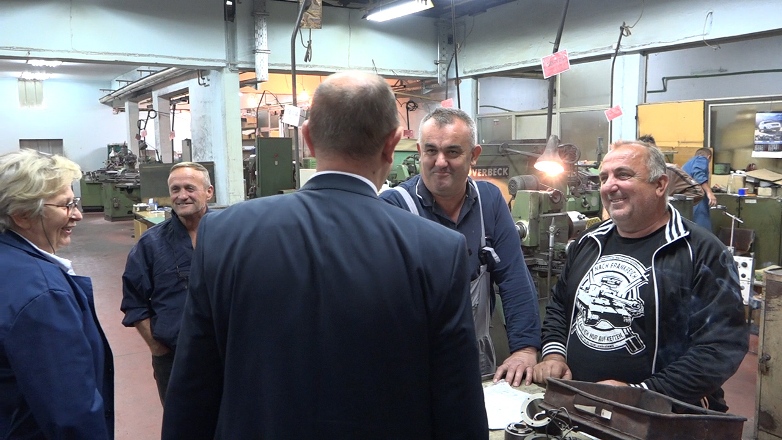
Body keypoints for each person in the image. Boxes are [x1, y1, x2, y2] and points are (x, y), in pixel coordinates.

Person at [161, 72, 488, 439]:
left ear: (308, 139)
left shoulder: (224, 234)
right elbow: (457, 403)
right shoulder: (438, 250)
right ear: (392, 144)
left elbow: (193, 387)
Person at [533, 140, 748, 412]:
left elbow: (721, 346)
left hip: (658, 416)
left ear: (660, 185)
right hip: (577, 403)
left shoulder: (701, 251)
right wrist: (554, 355)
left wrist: (642, 394)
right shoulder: (589, 242)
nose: (609, 186)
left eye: (623, 175)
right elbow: (560, 306)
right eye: (604, 178)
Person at [380, 107, 540, 386]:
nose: (440, 162)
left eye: (452, 152)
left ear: (474, 155)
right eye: (431, 151)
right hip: (411, 360)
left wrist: (525, 349)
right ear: (419, 151)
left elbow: (514, 277)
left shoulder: (489, 201)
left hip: (475, 357)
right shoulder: (393, 207)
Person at [0, 149, 114, 438]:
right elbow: (72, 415)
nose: (77, 215)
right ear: (22, 215)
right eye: (66, 205)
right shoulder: (42, 294)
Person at [120, 162, 213, 404]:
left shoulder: (230, 235)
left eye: (190, 188)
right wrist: (157, 349)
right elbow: (134, 302)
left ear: (209, 192)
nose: (182, 196)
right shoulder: (151, 244)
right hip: (174, 358)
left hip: (226, 354)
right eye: (175, 189)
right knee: (182, 420)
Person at [639, 135, 704, 203]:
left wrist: (671, 202)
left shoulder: (671, 171)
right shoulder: (634, 173)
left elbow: (698, 192)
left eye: (652, 152)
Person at [682, 147, 717, 231]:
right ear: (709, 157)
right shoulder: (701, 159)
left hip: (688, 201)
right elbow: (698, 175)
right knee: (703, 230)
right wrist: (709, 192)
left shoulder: (688, 164)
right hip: (697, 200)